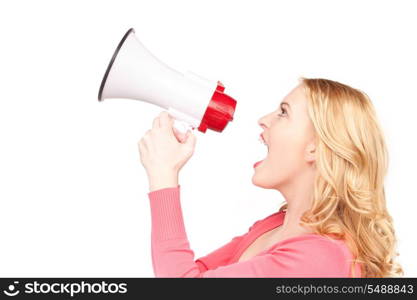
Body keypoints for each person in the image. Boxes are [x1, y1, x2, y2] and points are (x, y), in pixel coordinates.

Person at [137, 78, 403, 277]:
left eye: (283, 112)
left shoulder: (320, 258)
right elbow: (192, 274)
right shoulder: (274, 226)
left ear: (317, 147)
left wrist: (163, 175)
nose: (264, 119)